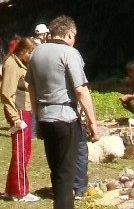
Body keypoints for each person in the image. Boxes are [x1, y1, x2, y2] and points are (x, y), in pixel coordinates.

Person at [26, 15, 99, 209]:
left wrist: (38, 118)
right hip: (66, 117)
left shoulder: (36, 52)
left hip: (45, 117)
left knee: (56, 172)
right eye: (74, 36)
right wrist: (92, 122)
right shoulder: (69, 53)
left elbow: (31, 88)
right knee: (67, 174)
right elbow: (80, 89)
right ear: (68, 33)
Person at [0, 37, 39, 202]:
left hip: (26, 110)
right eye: (30, 53)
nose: (31, 56)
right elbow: (6, 94)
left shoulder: (22, 64)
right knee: (21, 153)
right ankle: (20, 191)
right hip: (19, 112)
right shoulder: (12, 65)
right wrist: (15, 118)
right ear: (23, 51)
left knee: (23, 152)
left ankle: (11, 188)